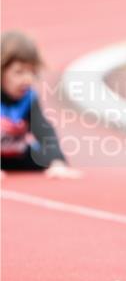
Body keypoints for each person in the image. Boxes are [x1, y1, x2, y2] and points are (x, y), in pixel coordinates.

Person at [1, 32, 81, 177]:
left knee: (44, 157)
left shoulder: (29, 97)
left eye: (32, 72)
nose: (27, 79)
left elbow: (44, 131)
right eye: (19, 72)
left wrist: (57, 162)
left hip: (14, 154)